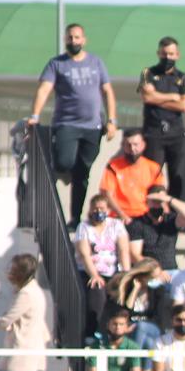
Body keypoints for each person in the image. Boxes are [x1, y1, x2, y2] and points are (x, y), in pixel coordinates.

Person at [29, 23, 117, 224]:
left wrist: (112, 120)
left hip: (92, 127)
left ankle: (75, 217)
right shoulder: (57, 64)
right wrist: (34, 115)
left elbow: (107, 91)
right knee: (64, 162)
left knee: (82, 174)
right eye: (70, 37)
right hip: (66, 123)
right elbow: (44, 90)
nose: (74, 41)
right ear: (65, 40)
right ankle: (66, 168)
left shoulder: (96, 63)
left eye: (77, 37)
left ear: (84, 40)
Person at [139, 36, 185, 198]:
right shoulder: (148, 73)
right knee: (153, 177)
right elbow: (147, 97)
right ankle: (153, 213)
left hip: (176, 134)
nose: (167, 58)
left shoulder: (183, 78)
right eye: (164, 54)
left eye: (171, 54)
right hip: (154, 132)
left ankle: (174, 217)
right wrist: (174, 97)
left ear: (177, 55)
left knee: (177, 177)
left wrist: (157, 98)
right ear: (158, 53)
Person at [74, 193, 131, 338]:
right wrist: (94, 275)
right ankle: (93, 334)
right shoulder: (84, 226)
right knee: (97, 297)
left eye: (102, 208)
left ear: (108, 210)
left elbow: (124, 250)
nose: (98, 211)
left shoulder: (116, 225)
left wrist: (126, 274)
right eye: (95, 208)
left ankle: (117, 333)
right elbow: (84, 254)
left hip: (112, 272)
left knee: (121, 296)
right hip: (90, 271)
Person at [126, 186, 185, 279]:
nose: (158, 205)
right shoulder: (138, 223)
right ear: (147, 202)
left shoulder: (171, 220)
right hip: (147, 272)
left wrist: (169, 199)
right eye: (155, 202)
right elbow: (135, 255)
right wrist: (156, 271)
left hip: (172, 272)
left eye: (161, 202)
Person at [100, 129, 164, 224]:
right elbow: (106, 194)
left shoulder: (153, 168)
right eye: (128, 145)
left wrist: (159, 215)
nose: (132, 149)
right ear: (123, 146)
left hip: (145, 216)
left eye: (135, 144)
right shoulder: (113, 166)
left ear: (143, 145)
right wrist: (123, 216)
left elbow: (159, 195)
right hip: (119, 217)